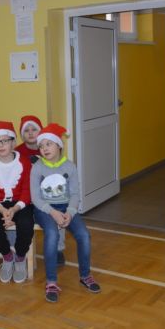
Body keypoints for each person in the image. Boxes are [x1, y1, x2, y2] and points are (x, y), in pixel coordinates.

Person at [30, 123, 101, 303]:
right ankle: (51, 282)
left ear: (59, 145)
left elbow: (75, 194)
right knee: (52, 233)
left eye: (49, 144)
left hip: (66, 207)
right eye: (41, 146)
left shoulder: (70, 166)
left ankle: (85, 275)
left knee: (84, 235)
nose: (44, 149)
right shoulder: (37, 167)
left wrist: (69, 212)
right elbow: (36, 198)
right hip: (44, 209)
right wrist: (53, 213)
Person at [0, 121, 34, 284]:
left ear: (13, 143)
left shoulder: (24, 162)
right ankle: (7, 256)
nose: (1, 145)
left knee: (26, 224)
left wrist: (15, 209)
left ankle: (20, 256)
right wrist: (2, 210)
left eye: (5, 141)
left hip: (20, 203)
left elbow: (27, 191)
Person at [15, 115, 68, 266]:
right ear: (22, 134)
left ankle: (57, 249)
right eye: (26, 130)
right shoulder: (18, 152)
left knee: (59, 208)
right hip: (26, 197)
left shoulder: (49, 149)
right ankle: (16, 249)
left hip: (47, 196)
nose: (31, 133)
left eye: (34, 129)